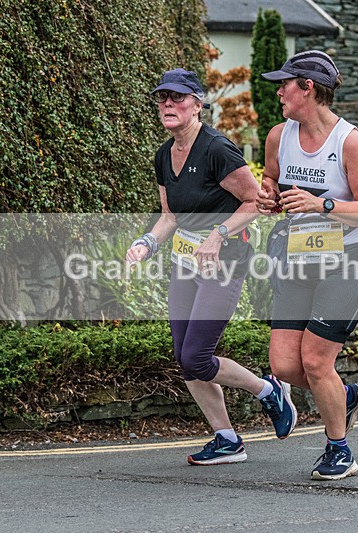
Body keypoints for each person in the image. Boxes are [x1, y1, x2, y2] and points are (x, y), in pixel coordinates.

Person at [125, 68, 297, 466]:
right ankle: (226, 439)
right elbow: (170, 217)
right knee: (183, 355)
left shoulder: (218, 149)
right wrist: (146, 243)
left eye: (177, 97)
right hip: (185, 262)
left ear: (197, 104)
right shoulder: (163, 155)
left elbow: (256, 203)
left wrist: (217, 234)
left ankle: (268, 392)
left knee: (197, 356)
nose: (168, 104)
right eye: (162, 98)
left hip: (225, 260)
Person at [256, 50, 358, 480]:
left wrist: (322, 203)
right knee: (284, 366)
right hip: (300, 254)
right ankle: (343, 397)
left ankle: (339, 449)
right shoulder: (279, 135)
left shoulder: (348, 141)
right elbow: (273, 178)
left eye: (285, 84)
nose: (279, 92)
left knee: (314, 360)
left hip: (349, 258)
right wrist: (267, 195)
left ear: (308, 88)